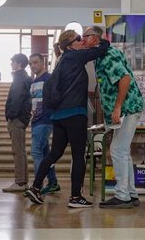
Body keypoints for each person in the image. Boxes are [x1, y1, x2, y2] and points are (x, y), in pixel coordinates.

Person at [25, 30, 109, 208]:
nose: (82, 41)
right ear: (71, 44)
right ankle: (76, 197)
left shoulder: (61, 60)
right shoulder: (74, 56)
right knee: (79, 155)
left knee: (55, 153)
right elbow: (102, 50)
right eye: (79, 39)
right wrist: (99, 40)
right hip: (74, 113)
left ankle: (35, 187)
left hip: (58, 116)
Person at [83, 25, 144, 208]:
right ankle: (131, 194)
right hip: (125, 109)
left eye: (84, 36)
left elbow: (124, 79)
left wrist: (117, 107)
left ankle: (122, 195)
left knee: (117, 150)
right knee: (123, 151)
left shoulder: (108, 55)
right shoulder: (99, 56)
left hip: (127, 108)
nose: (82, 40)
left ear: (94, 38)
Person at [28, 53, 61, 195]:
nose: (33, 66)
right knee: (45, 153)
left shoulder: (49, 78)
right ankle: (53, 182)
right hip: (36, 120)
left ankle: (37, 186)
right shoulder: (34, 81)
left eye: (35, 62)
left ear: (43, 62)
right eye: (31, 64)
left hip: (45, 120)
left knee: (36, 151)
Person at [2, 53, 33, 192]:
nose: (11, 64)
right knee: (21, 151)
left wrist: (11, 115)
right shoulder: (23, 77)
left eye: (12, 61)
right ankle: (23, 181)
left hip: (17, 118)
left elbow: (17, 98)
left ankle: (20, 182)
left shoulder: (20, 78)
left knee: (17, 151)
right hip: (21, 117)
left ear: (18, 63)